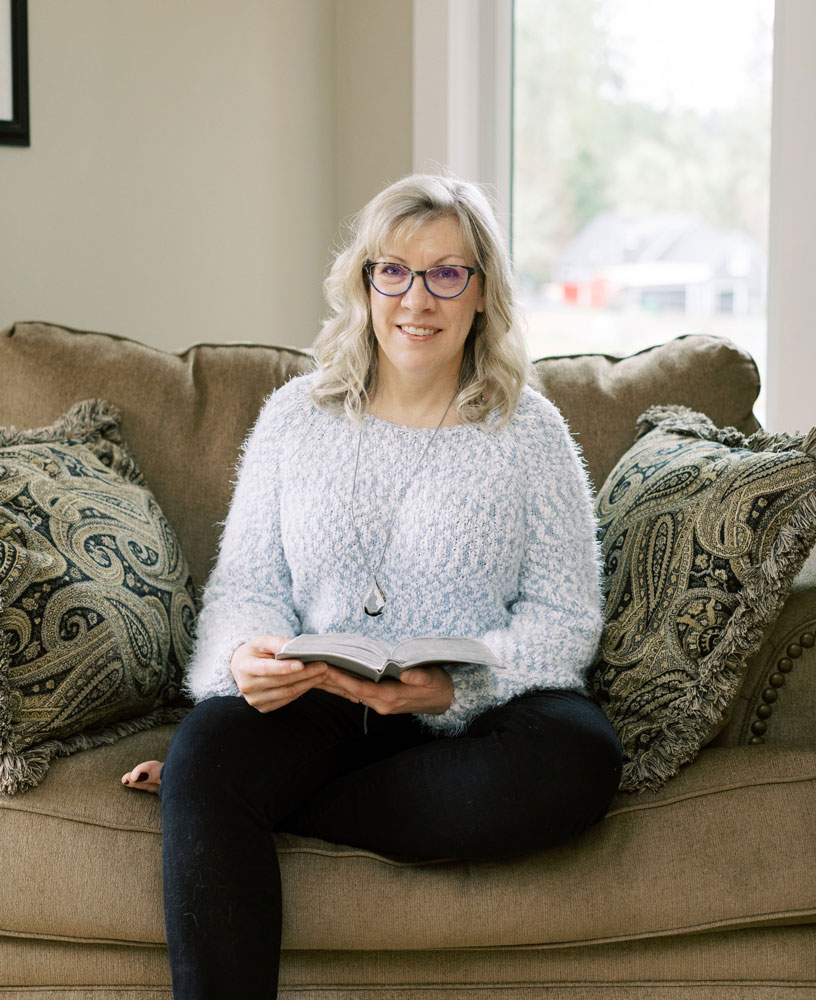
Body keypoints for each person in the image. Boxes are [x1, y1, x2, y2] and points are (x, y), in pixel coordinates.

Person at [122, 173, 622, 998]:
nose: (416, 300)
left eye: (446, 273)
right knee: (212, 746)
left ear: (482, 292)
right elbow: (246, 581)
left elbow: (566, 614)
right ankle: (210, 788)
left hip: (479, 703)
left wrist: (448, 691)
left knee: (582, 760)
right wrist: (248, 656)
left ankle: (251, 804)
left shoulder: (528, 430)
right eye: (393, 271)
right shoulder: (296, 416)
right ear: (363, 283)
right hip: (326, 693)